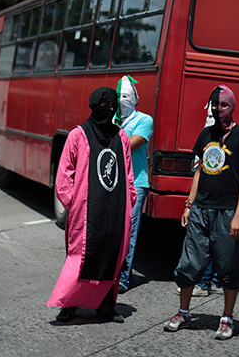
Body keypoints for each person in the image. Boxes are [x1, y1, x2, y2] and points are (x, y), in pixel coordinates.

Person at [164, 84, 239, 340]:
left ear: (233, 106)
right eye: (215, 105)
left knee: (229, 266)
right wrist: (188, 204)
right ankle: (183, 312)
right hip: (200, 210)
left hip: (228, 212)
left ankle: (227, 318)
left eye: (223, 105)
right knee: (190, 262)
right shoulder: (206, 135)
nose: (218, 110)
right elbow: (199, 172)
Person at [47, 87, 137, 323]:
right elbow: (64, 172)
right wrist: (72, 203)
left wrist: (129, 202)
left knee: (111, 256)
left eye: (112, 106)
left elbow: (128, 174)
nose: (108, 111)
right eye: (104, 107)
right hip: (85, 210)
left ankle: (105, 306)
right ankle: (69, 304)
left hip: (115, 209)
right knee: (80, 257)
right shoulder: (78, 135)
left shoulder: (122, 137)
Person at [114, 76, 154, 294]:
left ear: (136, 99)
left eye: (126, 96)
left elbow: (127, 145)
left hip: (135, 183)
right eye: (119, 96)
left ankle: (123, 277)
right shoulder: (112, 119)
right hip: (112, 183)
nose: (122, 100)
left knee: (129, 230)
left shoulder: (144, 120)